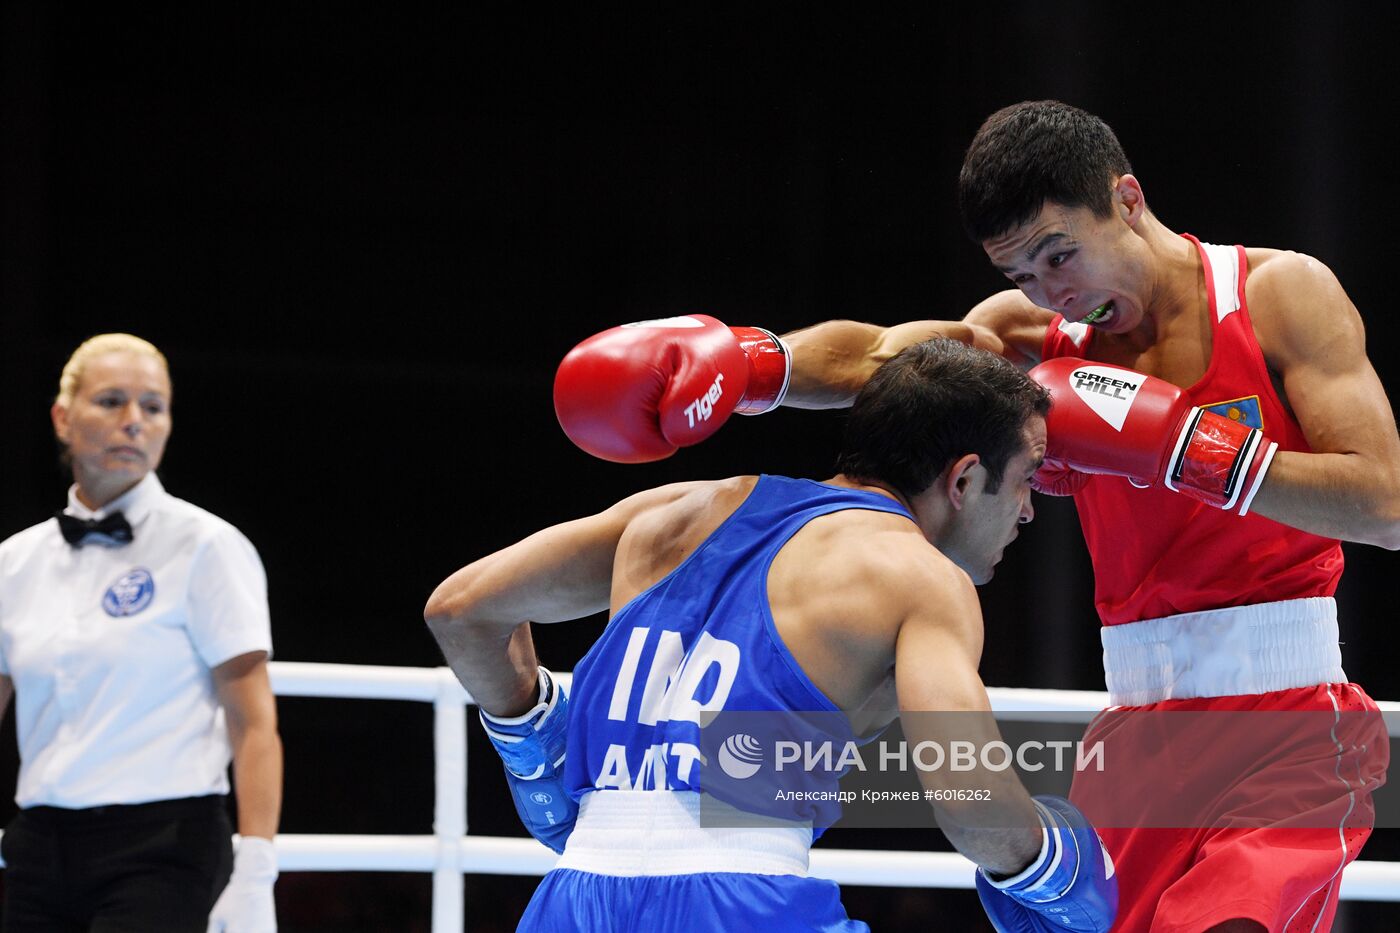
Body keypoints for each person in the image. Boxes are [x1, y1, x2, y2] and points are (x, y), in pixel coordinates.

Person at [556, 101, 1396, 931]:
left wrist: (1185, 444)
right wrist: (748, 365)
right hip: (1138, 729)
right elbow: (880, 357)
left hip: (1286, 717)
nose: (1052, 292)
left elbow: (1385, 503)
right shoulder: (1036, 336)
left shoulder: (1277, 293)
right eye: (1022, 275)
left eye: (1060, 255)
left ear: (1128, 200)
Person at [426, 338, 1117, 932]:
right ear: (964, 478)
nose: (1028, 511)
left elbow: (461, 610)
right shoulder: (920, 575)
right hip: (744, 900)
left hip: (572, 895)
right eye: (1026, 480)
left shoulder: (675, 509)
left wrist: (535, 750)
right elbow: (974, 809)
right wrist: (1057, 871)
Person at [0, 334, 282, 932]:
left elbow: (253, 720)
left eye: (152, 407)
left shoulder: (208, 547)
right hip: (37, 844)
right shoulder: (14, 562)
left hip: (163, 846)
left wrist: (256, 866)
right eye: (111, 401)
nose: (133, 422)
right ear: (62, 417)